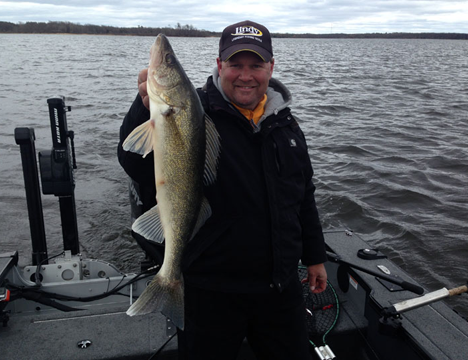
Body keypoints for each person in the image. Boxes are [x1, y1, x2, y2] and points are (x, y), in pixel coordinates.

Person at [118, 20, 328, 360]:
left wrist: (315, 255)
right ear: (219, 66)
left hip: (280, 288)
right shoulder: (194, 111)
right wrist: (143, 108)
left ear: (271, 68)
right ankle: (168, 283)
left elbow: (304, 196)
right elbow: (135, 164)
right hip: (211, 292)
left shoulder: (286, 124)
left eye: (255, 65)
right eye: (235, 65)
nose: (246, 75)